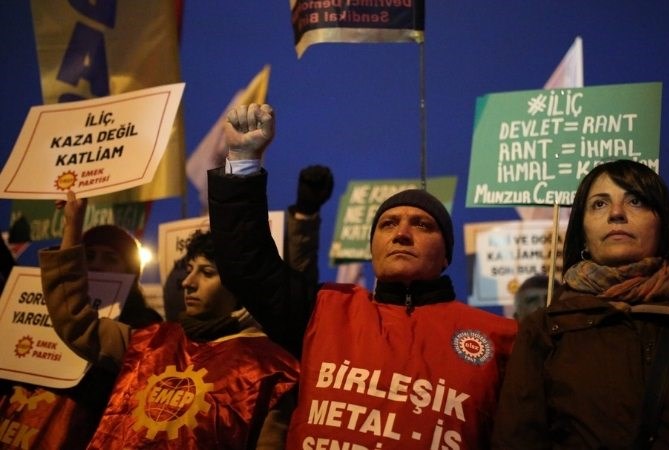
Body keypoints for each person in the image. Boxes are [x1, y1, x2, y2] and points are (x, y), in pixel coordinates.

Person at [207, 103, 519, 449]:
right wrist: (242, 161)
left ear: (446, 255)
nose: (401, 233)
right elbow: (246, 264)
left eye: (422, 224)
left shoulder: (502, 339)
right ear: (373, 249)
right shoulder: (323, 309)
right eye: (388, 224)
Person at [491, 159, 669, 449]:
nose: (616, 214)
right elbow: (517, 440)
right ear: (582, 231)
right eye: (599, 204)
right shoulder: (545, 330)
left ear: (662, 222)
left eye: (635, 201)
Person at [38, 191, 310, 449]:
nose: (188, 282)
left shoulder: (269, 369)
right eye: (189, 270)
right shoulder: (150, 341)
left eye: (206, 272)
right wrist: (72, 226)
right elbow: (75, 322)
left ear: (239, 285)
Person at [0, 219, 162, 449]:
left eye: (110, 258)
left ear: (131, 271)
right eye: (90, 255)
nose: (96, 264)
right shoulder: (43, 305)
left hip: (76, 433)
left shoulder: (143, 324)